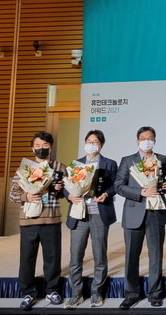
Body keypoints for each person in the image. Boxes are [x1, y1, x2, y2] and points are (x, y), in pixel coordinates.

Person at [9, 131, 67, 311]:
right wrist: (26, 196)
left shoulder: (60, 167)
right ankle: (27, 292)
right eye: (38, 146)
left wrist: (59, 189)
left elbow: (66, 193)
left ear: (51, 147)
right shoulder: (24, 169)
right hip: (29, 220)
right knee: (27, 258)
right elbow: (13, 194)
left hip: (51, 219)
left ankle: (52, 290)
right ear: (32, 148)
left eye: (45, 146)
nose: (41, 149)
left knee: (52, 258)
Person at [115, 126, 166, 310]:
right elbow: (118, 186)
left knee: (156, 255)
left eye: (150, 138)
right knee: (131, 256)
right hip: (134, 213)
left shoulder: (163, 159)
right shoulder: (128, 160)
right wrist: (141, 192)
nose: (147, 141)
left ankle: (155, 293)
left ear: (155, 140)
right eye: (143, 138)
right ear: (137, 141)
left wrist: (165, 187)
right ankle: (131, 294)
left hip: (156, 213)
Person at [64, 130, 118, 309]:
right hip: (79, 214)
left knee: (99, 255)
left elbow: (116, 186)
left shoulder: (110, 164)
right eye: (89, 141)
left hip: (99, 213)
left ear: (101, 144)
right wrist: (69, 196)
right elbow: (65, 186)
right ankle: (76, 293)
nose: (91, 144)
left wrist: (106, 194)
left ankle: (96, 292)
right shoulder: (76, 164)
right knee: (76, 255)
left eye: (95, 142)